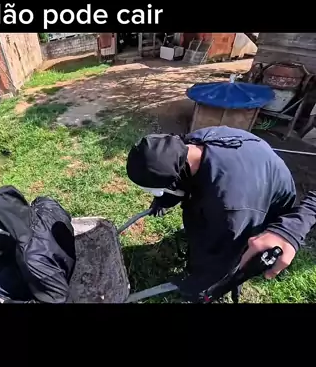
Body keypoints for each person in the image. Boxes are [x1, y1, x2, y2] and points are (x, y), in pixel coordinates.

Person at [126, 126, 316, 301]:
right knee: (199, 214)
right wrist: (164, 200)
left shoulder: (229, 208)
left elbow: (222, 253)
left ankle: (204, 283)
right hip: (253, 164)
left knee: (220, 248)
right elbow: (176, 176)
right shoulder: (193, 142)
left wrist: (200, 282)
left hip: (267, 199)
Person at [0, 186, 76, 304]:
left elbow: (57, 299)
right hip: (58, 254)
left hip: (50, 277)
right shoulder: (46, 205)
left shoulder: (31, 257)